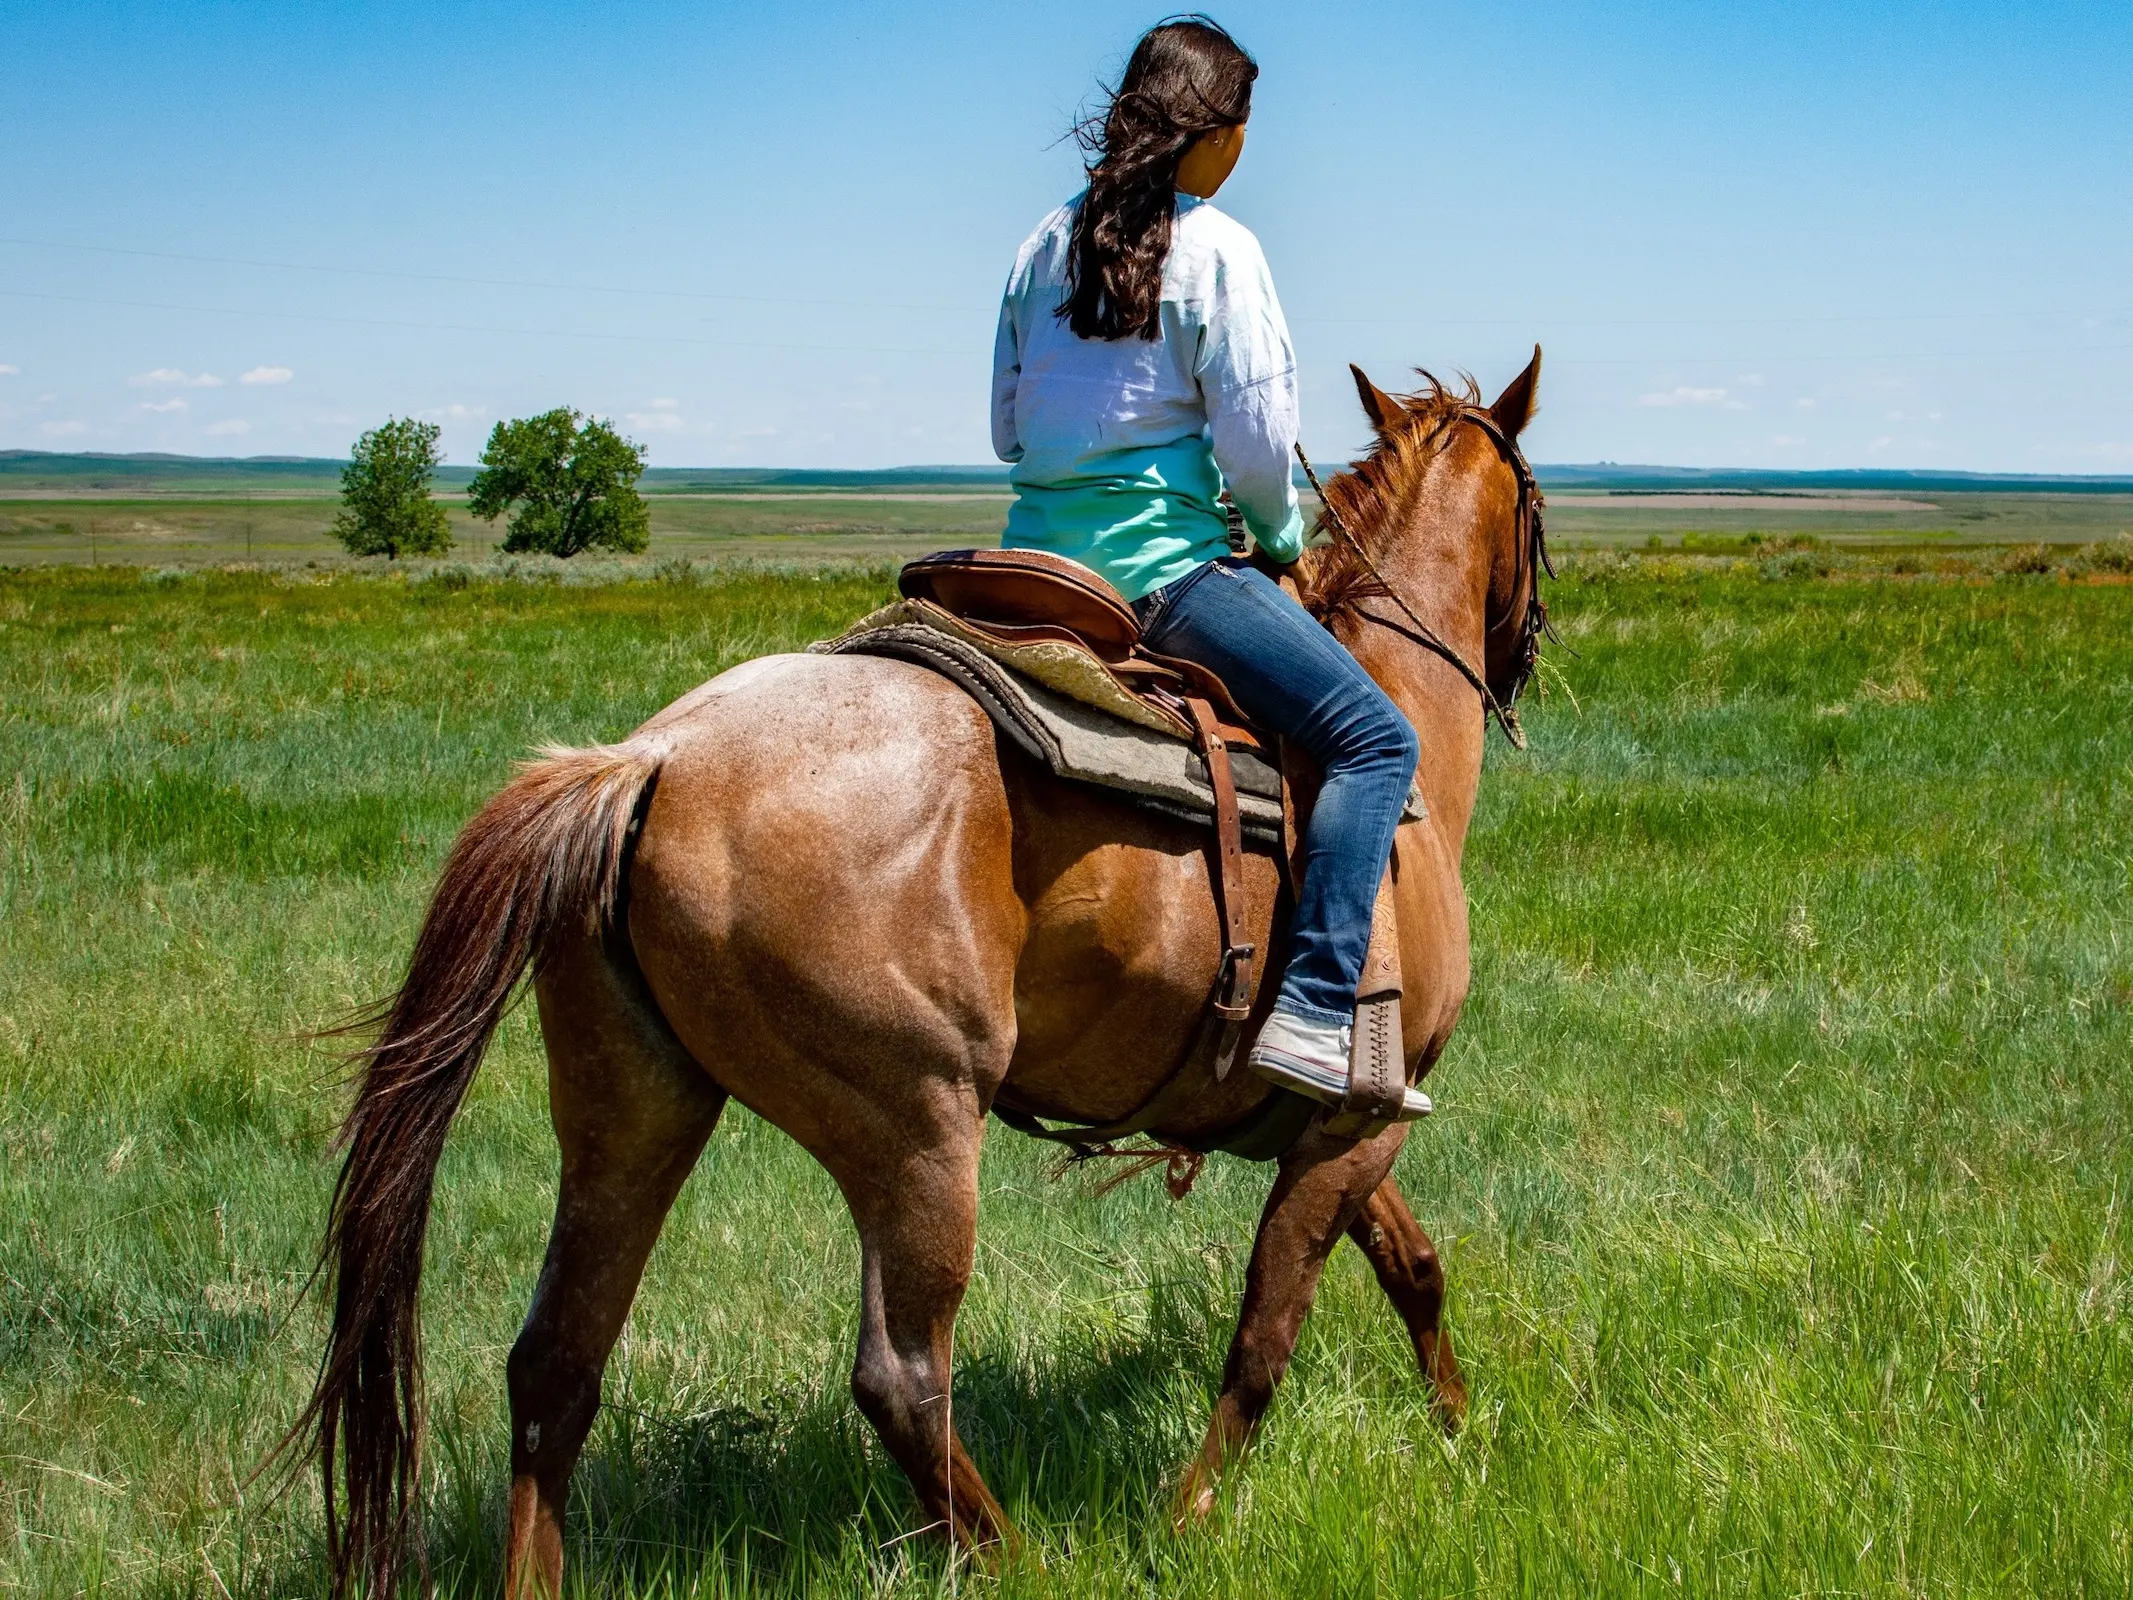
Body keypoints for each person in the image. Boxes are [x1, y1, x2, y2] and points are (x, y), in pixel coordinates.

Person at [990, 15, 1428, 1118]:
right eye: (1245, 130)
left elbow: (1006, 432)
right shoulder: (1222, 249)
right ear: (1217, 136)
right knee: (1378, 738)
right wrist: (1280, 539)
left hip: (1026, 572)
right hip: (1159, 581)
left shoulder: (1037, 244)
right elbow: (1254, 445)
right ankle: (1322, 1012)